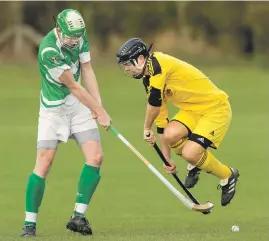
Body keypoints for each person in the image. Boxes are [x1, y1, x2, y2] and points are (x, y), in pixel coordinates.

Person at [116, 37, 239, 208]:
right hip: (191, 110)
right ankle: (196, 163)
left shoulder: (158, 66)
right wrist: (167, 159)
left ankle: (227, 176)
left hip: (215, 108)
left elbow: (154, 103)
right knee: (170, 134)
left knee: (190, 153)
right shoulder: (149, 79)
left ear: (141, 59)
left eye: (128, 64)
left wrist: (145, 127)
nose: (127, 69)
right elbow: (161, 119)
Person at [21, 9, 111, 237]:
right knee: (44, 163)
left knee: (96, 157)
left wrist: (98, 106)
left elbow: (87, 69)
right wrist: (97, 110)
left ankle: (78, 216)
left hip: (78, 106)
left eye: (78, 36)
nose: (75, 41)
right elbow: (73, 85)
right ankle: (29, 224)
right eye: (71, 37)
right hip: (54, 110)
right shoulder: (48, 50)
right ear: (59, 30)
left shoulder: (79, 35)